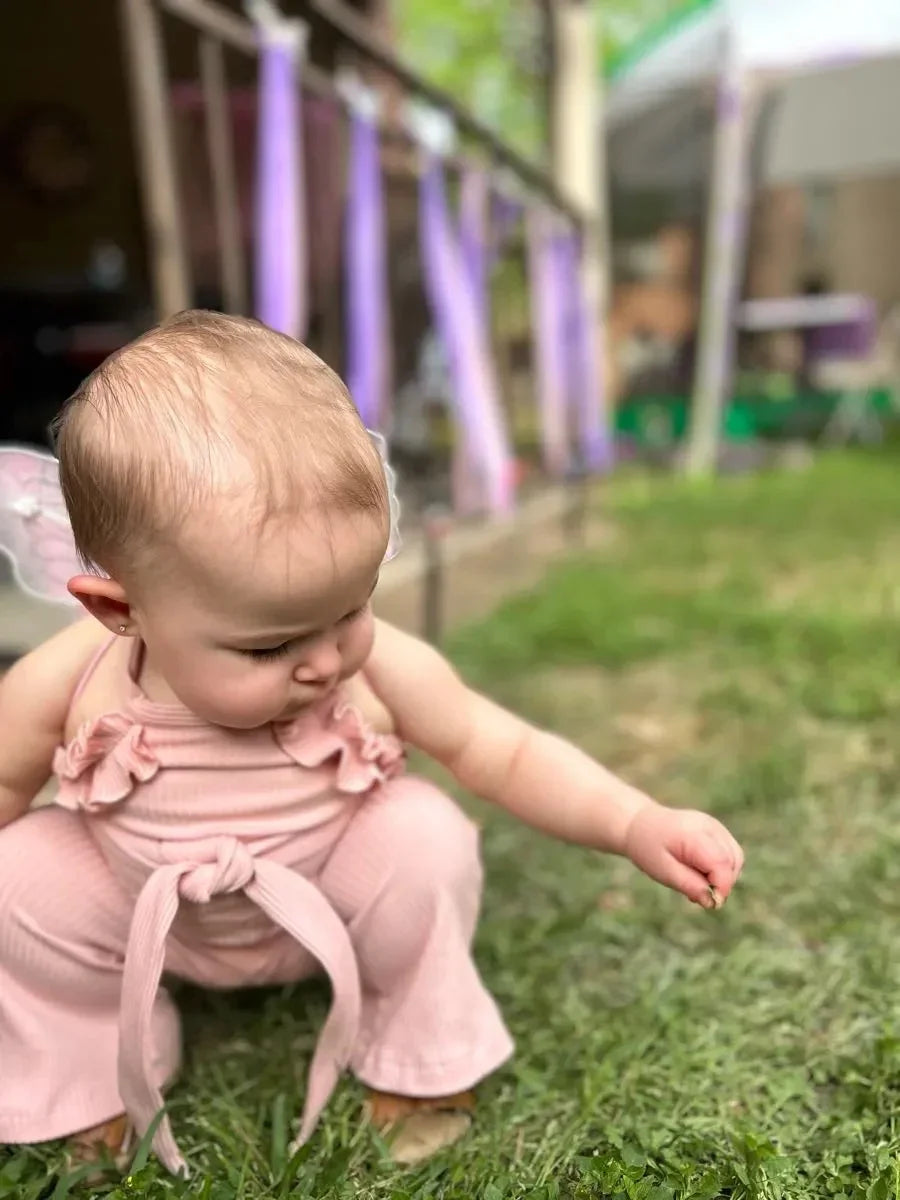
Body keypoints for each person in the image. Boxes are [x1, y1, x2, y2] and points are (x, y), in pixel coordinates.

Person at [0, 311, 744, 1176]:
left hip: (328, 901)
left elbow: (502, 750)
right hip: (145, 919)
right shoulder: (72, 679)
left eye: (351, 609)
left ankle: (415, 1051)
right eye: (272, 645)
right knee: (18, 875)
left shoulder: (376, 667)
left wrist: (634, 820)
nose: (327, 661)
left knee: (424, 833)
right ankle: (93, 1056)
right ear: (120, 610)